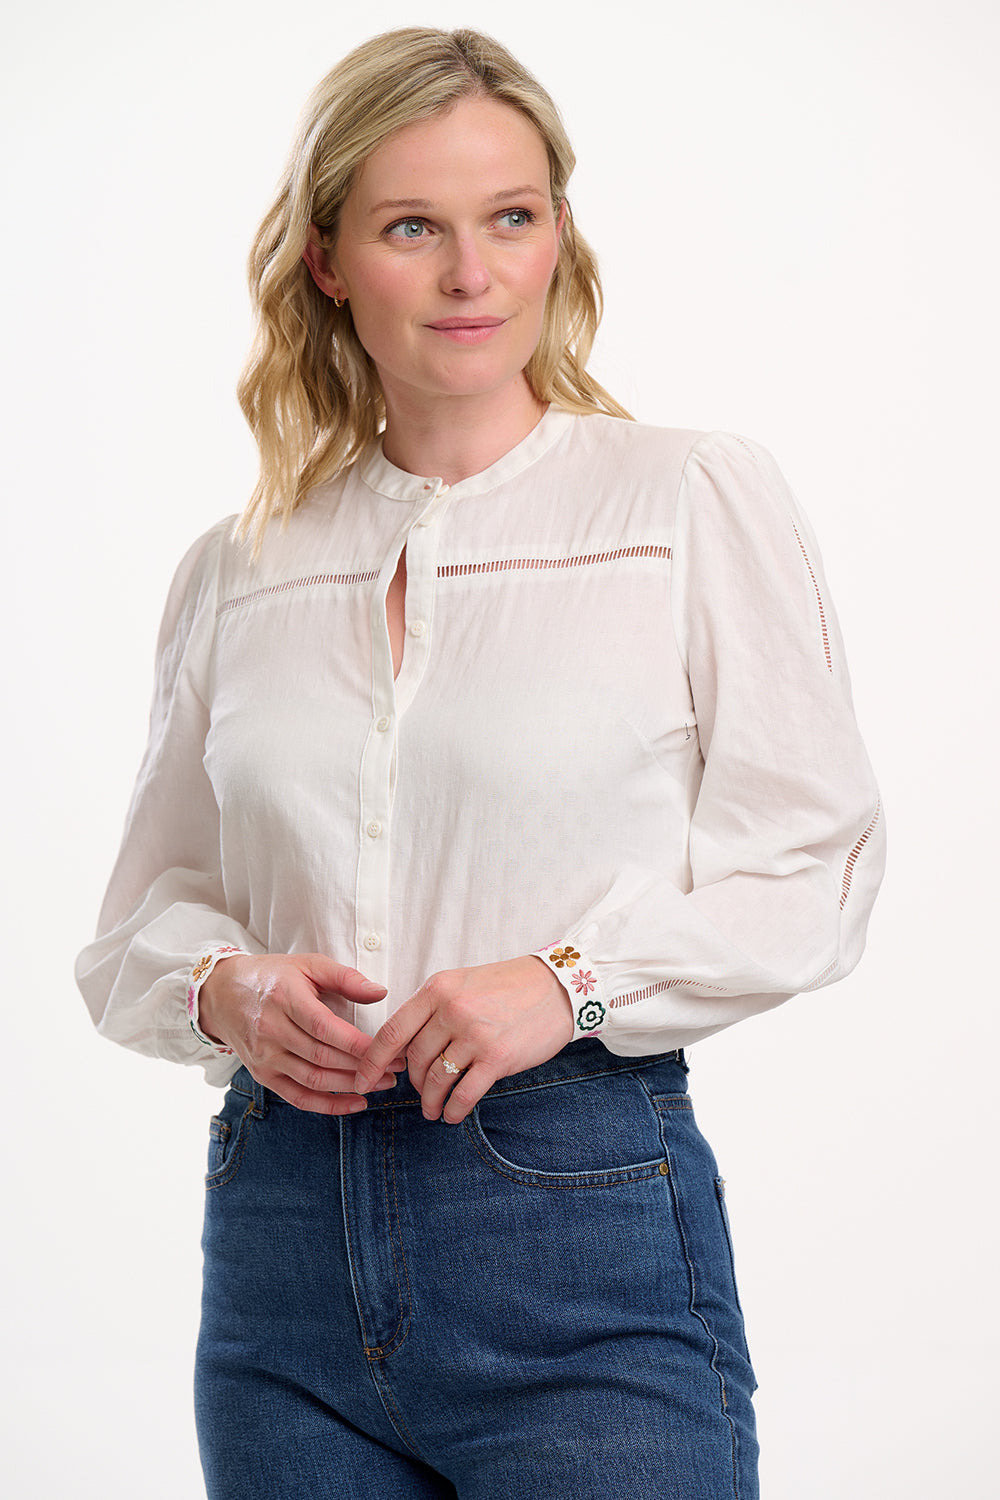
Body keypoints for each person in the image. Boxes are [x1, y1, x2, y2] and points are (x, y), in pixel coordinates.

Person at [76, 25, 884, 1500]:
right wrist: (227, 985)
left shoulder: (684, 501)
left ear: (560, 232)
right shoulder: (237, 570)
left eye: (511, 217)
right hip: (277, 1260)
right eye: (413, 228)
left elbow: (815, 864)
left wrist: (568, 981)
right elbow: (138, 921)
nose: (471, 274)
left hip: (574, 1221)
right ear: (327, 260)